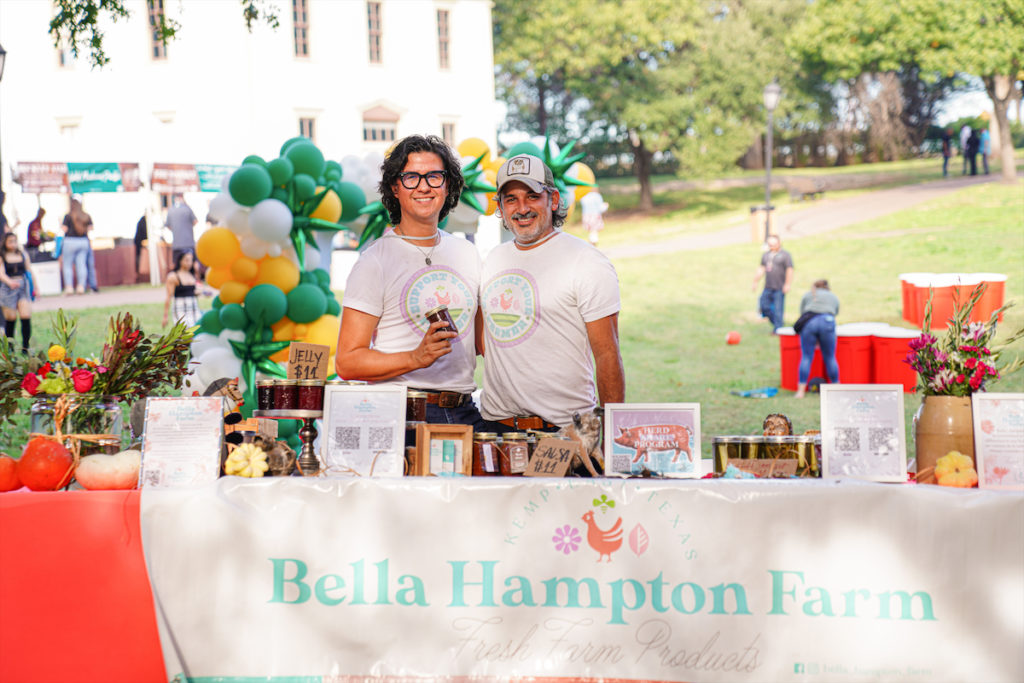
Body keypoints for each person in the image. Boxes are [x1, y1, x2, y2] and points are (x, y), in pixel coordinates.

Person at [334, 134, 484, 428]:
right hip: (401, 414)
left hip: (465, 411)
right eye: (411, 177)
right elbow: (347, 362)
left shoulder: (467, 253)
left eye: (434, 176)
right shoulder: (375, 261)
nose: (424, 187)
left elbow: (481, 342)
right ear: (395, 187)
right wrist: (416, 357)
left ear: (448, 185)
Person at [478, 154, 625, 433]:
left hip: (565, 430)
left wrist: (610, 434)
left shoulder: (587, 261)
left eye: (532, 196)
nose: (522, 208)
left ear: (554, 199)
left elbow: (608, 356)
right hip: (496, 427)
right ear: (500, 207)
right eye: (511, 199)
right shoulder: (493, 259)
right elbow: (484, 338)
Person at [794, 279, 840, 398]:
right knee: (830, 357)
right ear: (827, 287)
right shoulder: (833, 296)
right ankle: (836, 389)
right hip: (827, 322)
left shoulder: (808, 295)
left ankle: (800, 391)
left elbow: (802, 313)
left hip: (809, 324)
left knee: (806, 357)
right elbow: (835, 312)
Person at [752, 234, 794, 333]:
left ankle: (778, 329)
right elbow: (762, 268)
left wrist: (787, 284)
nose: (772, 246)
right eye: (770, 244)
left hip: (779, 287)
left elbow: (789, 270)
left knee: (778, 309)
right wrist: (755, 281)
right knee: (764, 306)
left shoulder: (785, 255)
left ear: (779, 243)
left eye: (774, 244)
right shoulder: (766, 255)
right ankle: (778, 324)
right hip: (768, 286)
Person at [1, 232, 35, 353]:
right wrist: (10, 282)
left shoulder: (22, 254)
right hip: (8, 289)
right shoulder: (2, 256)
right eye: (10, 241)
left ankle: (26, 347)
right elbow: (1, 273)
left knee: (25, 316)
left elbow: (29, 270)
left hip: (22, 287)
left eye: (15, 241)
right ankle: (10, 349)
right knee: (11, 318)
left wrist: (35, 287)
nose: (13, 244)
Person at [61, 195, 93, 294]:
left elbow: (64, 229)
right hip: (83, 241)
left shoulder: (68, 216)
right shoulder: (86, 216)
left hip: (70, 241)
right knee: (81, 265)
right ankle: (81, 287)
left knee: (67, 265)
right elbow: (91, 228)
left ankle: (69, 287)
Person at [163, 250, 202, 328]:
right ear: (180, 261)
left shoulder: (192, 274)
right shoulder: (173, 276)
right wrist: (165, 316)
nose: (189, 263)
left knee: (196, 330)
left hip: (193, 307)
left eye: (191, 260)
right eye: (187, 260)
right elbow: (168, 297)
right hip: (180, 308)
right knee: (184, 331)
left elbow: (195, 290)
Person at [165, 194, 198, 265]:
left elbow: (168, 225)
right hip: (188, 243)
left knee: (177, 265)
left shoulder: (171, 210)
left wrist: (176, 229)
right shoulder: (187, 209)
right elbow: (195, 221)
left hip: (177, 244)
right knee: (192, 264)